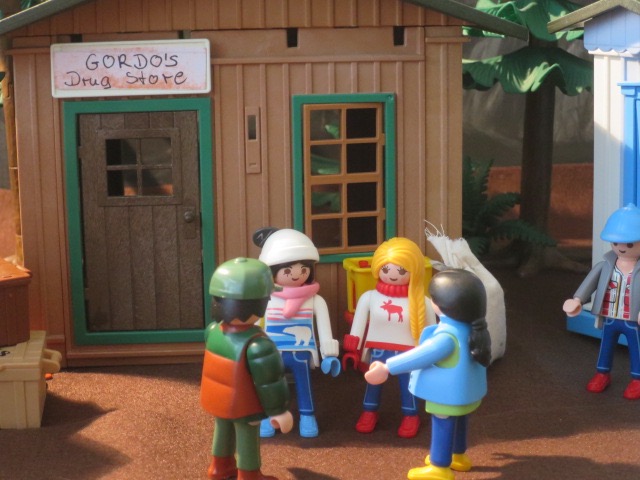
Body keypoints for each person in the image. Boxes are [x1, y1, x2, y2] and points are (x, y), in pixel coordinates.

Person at [366, 269, 491, 480]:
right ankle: (458, 456)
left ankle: (439, 466)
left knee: (443, 424)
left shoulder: (447, 337)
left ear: (445, 305)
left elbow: (421, 356)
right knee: (460, 422)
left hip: (446, 394)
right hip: (466, 393)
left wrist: (387, 367)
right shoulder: (473, 329)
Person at [200, 257, 293, 480]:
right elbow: (270, 382)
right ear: (259, 304)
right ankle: (249, 475)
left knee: (222, 428)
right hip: (243, 404)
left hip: (216, 398)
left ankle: (219, 468)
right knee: (247, 434)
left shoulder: (212, 331)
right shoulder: (257, 344)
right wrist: (279, 410)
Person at [253, 228, 341, 438]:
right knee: (269, 385)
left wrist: (329, 353)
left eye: (303, 269)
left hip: (301, 353)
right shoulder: (264, 299)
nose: (296, 275)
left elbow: (324, 328)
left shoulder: (315, 300)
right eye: (287, 271)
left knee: (304, 384)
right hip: (270, 352)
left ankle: (307, 415)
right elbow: (255, 325)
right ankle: (268, 416)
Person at [343, 237, 434, 438]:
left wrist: (430, 353)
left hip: (408, 351)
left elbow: (431, 330)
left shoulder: (422, 301)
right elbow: (358, 323)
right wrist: (353, 345)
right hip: (378, 349)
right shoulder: (369, 297)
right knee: (373, 382)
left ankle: (411, 415)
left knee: (407, 384)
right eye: (386, 269)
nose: (392, 275)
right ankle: (369, 411)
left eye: (401, 271)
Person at [563, 203, 640, 400]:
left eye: (629, 244)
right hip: (610, 317)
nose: (622, 248)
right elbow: (589, 283)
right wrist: (578, 299)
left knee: (636, 348)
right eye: (616, 242)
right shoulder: (605, 266)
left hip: (633, 320)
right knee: (606, 346)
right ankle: (602, 374)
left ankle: (637, 379)